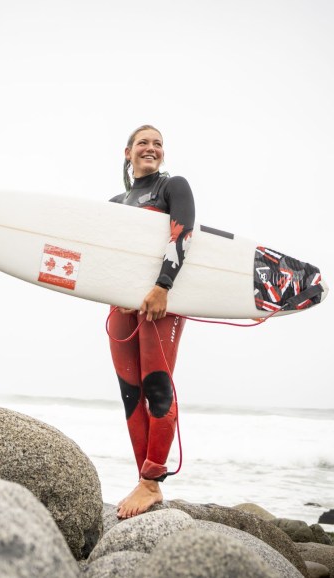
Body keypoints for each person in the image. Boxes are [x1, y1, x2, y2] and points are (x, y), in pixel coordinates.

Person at [107, 125, 195, 519]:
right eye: (143, 142)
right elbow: (107, 256)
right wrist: (118, 294)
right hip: (122, 307)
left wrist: (163, 286)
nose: (151, 148)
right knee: (131, 394)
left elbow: (183, 234)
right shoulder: (114, 202)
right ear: (128, 152)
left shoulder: (172, 187)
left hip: (161, 302)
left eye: (158, 143)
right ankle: (142, 478)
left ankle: (152, 482)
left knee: (156, 386)